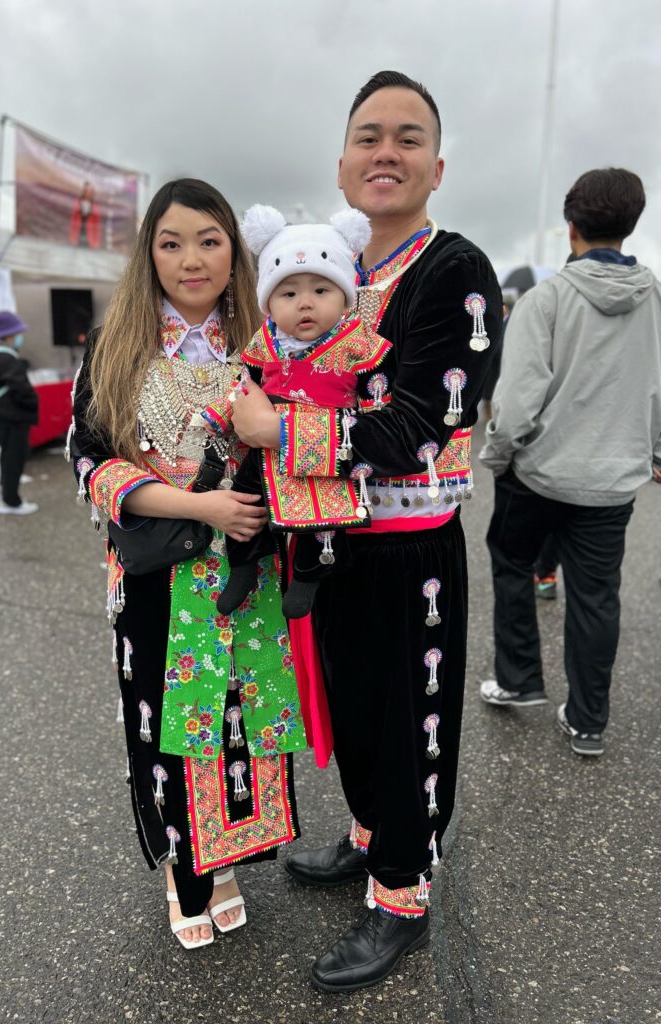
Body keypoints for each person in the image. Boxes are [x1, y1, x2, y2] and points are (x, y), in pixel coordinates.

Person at [230, 71, 502, 991]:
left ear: (436, 166)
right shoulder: (326, 271)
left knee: (408, 719)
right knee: (345, 707)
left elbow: (421, 422)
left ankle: (402, 893)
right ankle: (367, 834)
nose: (387, 152)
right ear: (343, 167)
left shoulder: (452, 269)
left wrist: (279, 432)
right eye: (369, 136)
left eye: (409, 137)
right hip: (326, 542)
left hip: (408, 544)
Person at [70, 179, 308, 950]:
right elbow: (90, 463)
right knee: (170, 729)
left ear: (232, 250)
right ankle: (184, 869)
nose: (191, 258)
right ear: (150, 255)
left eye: (209, 240)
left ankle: (228, 861)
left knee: (238, 721)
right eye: (171, 242)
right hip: (159, 577)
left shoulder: (268, 345)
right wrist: (198, 507)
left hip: (249, 573)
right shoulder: (116, 348)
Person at [479, 168, 661, 756]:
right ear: (630, 226)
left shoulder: (547, 298)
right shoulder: (655, 297)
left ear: (571, 226)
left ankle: (519, 679)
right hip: (613, 479)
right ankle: (587, 721)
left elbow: (518, 399)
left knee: (511, 561)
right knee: (596, 595)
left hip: (539, 472)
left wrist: (498, 453)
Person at [200, 204, 395, 620]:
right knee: (246, 502)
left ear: (345, 296)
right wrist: (219, 415)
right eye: (289, 294)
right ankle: (244, 564)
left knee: (323, 520)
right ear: (269, 303)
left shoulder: (358, 343)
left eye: (320, 291)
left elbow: (378, 398)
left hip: (324, 448)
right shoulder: (264, 343)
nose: (305, 304)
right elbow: (242, 386)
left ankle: (308, 575)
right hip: (264, 448)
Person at [0, 310, 39, 515]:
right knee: (14, 456)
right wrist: (33, 403)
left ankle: (3, 489)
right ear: (8, 335)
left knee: (6, 455)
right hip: (11, 417)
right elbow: (22, 389)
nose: (19, 338)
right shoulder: (6, 358)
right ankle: (11, 502)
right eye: (16, 333)